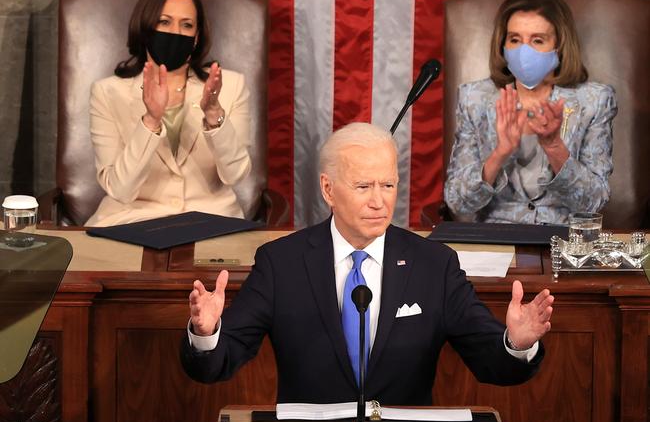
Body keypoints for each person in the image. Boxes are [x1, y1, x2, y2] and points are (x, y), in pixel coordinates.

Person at [180, 122, 554, 405]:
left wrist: (516, 344)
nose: (379, 202)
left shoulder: (434, 264)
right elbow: (217, 364)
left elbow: (492, 362)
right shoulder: (282, 263)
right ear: (328, 189)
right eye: (363, 187)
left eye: (388, 185)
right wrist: (207, 333)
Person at [85, 0, 251, 226]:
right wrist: (150, 121)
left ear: (196, 37)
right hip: (131, 223)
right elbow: (121, 190)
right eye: (164, 22)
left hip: (209, 224)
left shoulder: (231, 86)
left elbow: (235, 174)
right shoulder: (107, 93)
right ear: (145, 27)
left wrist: (214, 114)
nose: (175, 33)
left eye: (186, 25)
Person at [444, 0, 617, 225]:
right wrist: (500, 153)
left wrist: (555, 147)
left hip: (563, 241)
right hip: (495, 239)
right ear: (502, 45)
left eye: (538, 40)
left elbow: (594, 202)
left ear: (560, 45)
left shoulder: (594, 101)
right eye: (515, 39)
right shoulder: (474, 98)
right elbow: (458, 203)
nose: (524, 51)